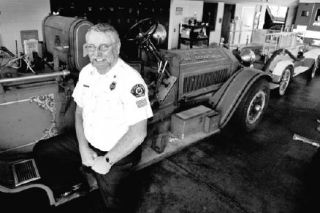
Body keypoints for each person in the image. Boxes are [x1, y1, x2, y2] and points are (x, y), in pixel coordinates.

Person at [33, 23, 153, 211]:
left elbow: (138, 133)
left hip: (117, 153)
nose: (97, 53)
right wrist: (83, 147)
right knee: (43, 151)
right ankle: (73, 184)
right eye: (91, 47)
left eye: (104, 47)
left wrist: (107, 161)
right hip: (89, 142)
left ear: (118, 47)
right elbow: (80, 112)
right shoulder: (87, 72)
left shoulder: (131, 81)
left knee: (114, 204)